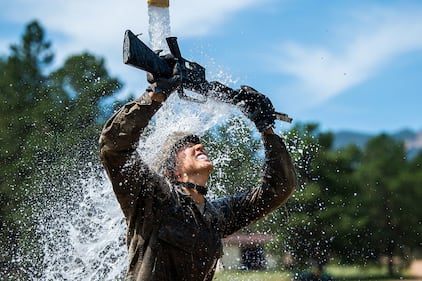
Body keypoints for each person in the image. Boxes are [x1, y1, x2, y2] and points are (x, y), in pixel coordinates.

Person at [99, 55, 297, 281]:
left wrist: (266, 129)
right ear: (171, 170)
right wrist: (156, 95)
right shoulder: (152, 197)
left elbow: (279, 188)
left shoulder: (216, 216)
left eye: (199, 142)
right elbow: (114, 147)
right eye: (187, 145)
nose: (200, 145)